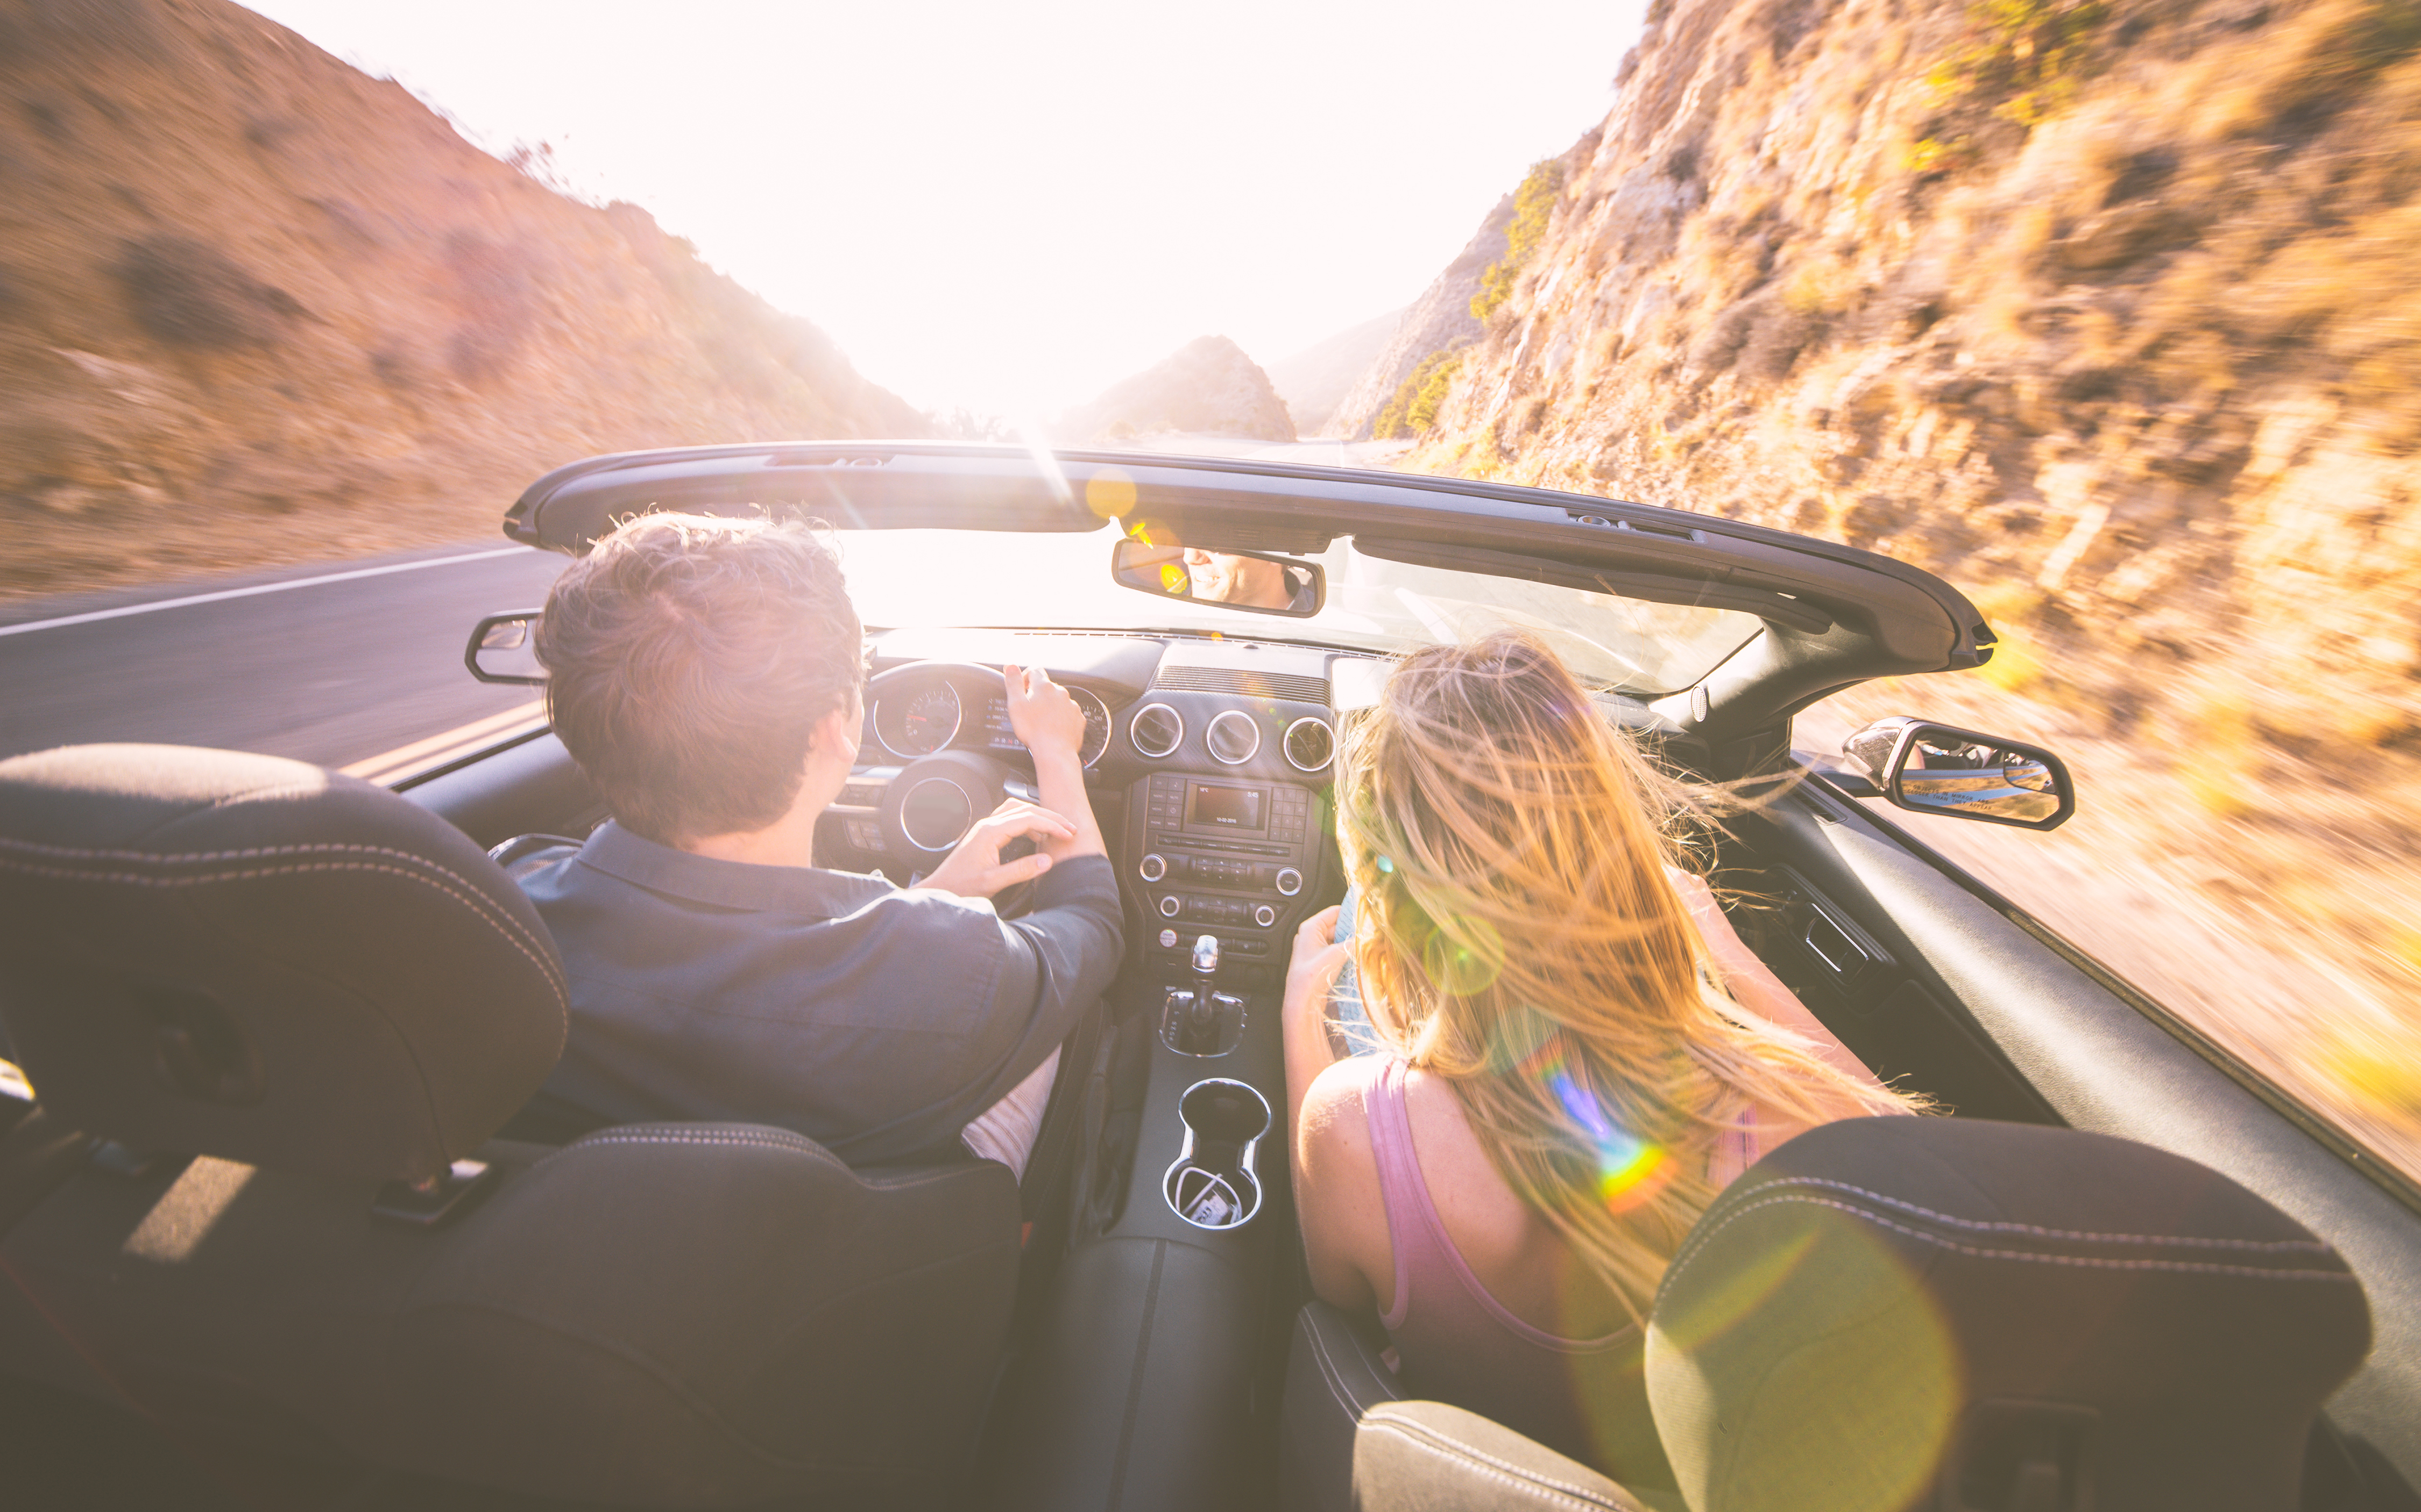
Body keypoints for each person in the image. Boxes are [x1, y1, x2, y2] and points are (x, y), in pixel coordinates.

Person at [1281, 631, 1923, 1488]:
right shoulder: (1762, 1117)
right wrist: (1722, 947)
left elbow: (1334, 1296)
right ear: (1619, 842)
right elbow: (1920, 1176)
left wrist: (1298, 1014)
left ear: (1392, 898)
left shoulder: (1355, 1124)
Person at [515, 512, 1121, 1179]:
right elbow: (1091, 927)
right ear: (837, 727)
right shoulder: (952, 965)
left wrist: (928, 901)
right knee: (1063, 1025)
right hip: (885, 1249)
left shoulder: (505, 911)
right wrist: (1056, 751)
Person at [1183, 548, 1314, 612]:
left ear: (1277, 552)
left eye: (1216, 545)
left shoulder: (1324, 629)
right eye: (1187, 538)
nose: (1190, 558)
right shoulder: (1166, 610)